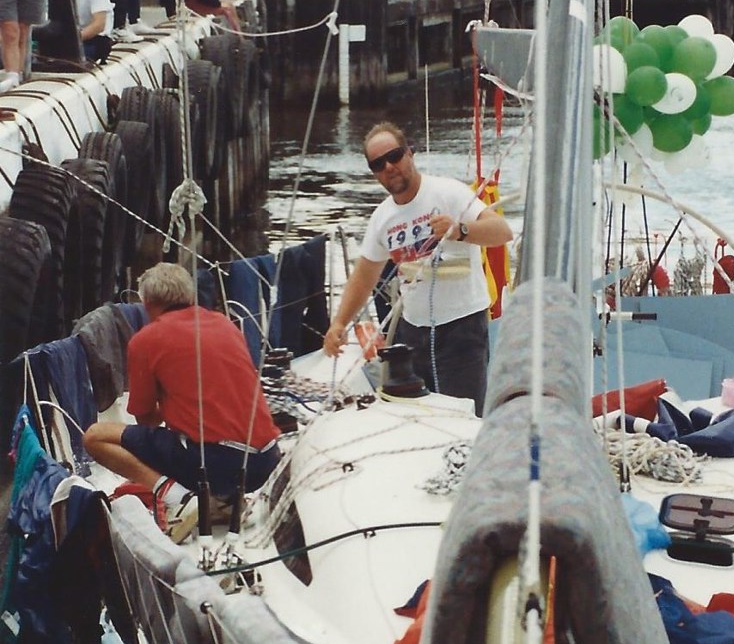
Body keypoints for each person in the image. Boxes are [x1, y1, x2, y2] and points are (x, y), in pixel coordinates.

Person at [323, 122, 512, 415]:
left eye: (395, 156)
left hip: (462, 327)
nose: (389, 167)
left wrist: (460, 229)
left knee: (463, 418)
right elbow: (364, 274)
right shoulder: (382, 218)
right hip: (413, 333)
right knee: (418, 417)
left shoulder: (449, 193)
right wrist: (339, 323)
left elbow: (501, 231)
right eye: (378, 164)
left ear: (410, 153)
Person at [83, 262, 280, 542]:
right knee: (197, 437)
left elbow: (145, 418)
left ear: (146, 302)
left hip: (216, 463)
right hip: (265, 460)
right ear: (189, 296)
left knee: (96, 437)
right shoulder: (225, 324)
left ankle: (178, 497)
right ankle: (221, 501)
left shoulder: (145, 340)